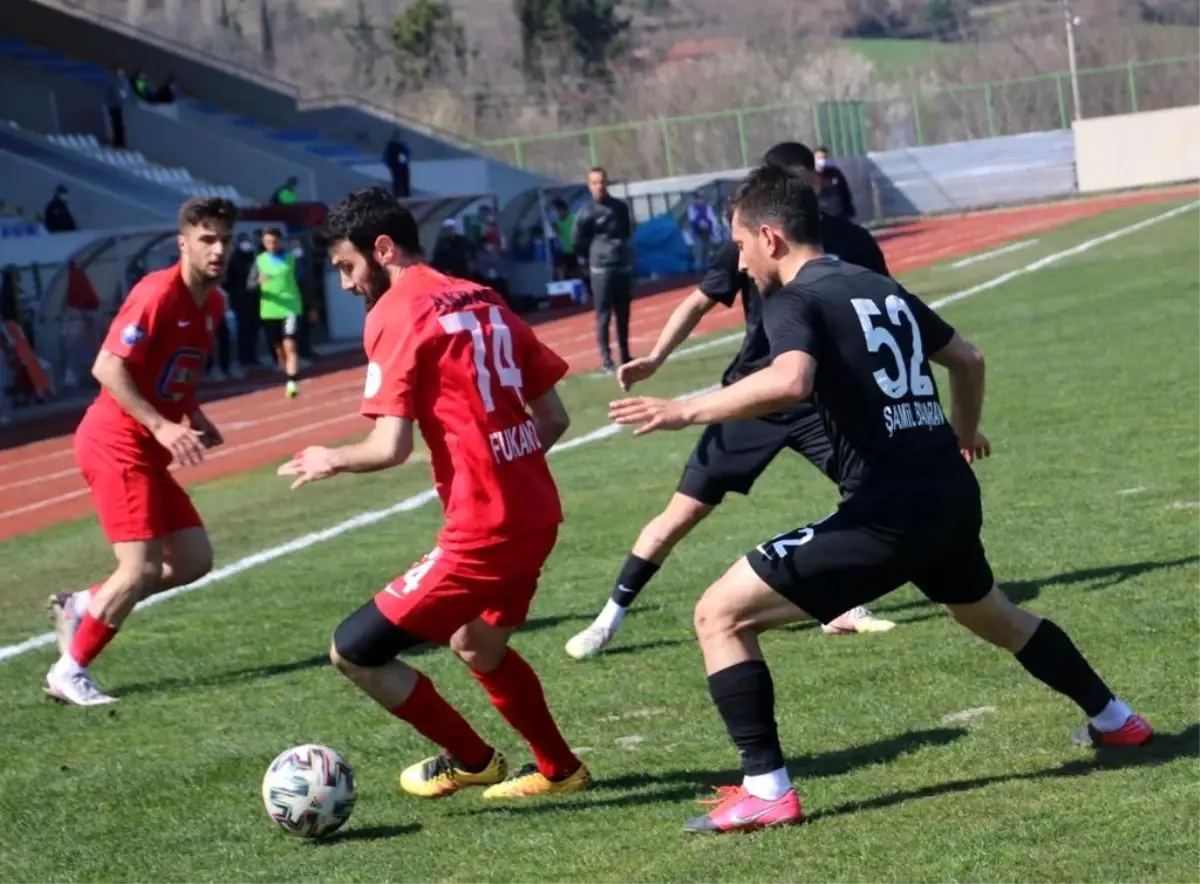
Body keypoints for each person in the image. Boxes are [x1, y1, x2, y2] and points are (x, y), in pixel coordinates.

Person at [609, 165, 1152, 835]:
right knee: (997, 618)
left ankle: (766, 789)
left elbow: (790, 379)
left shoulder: (791, 300)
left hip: (889, 511)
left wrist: (684, 409)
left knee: (718, 615)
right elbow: (970, 358)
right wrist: (964, 431)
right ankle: (1116, 721)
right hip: (949, 494)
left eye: (740, 243)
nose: (739, 260)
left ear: (771, 237)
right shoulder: (875, 284)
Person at [279, 187, 590, 800]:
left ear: (383, 248)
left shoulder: (395, 312)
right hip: (536, 513)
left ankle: (472, 759)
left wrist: (330, 458)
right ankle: (561, 769)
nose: (344, 284)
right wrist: (503, 465)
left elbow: (388, 447)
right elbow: (552, 419)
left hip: (484, 531)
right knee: (478, 643)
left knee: (352, 651)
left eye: (347, 266)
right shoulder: (485, 298)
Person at [566, 142, 892, 661]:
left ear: (815, 181)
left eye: (793, 181)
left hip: (820, 399)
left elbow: (882, 319)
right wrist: (654, 358)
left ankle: (838, 603)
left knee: (876, 493)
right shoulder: (752, 239)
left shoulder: (852, 241)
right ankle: (608, 619)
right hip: (752, 396)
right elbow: (699, 300)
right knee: (682, 513)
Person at [44, 197, 236, 706]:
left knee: (194, 559)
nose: (218, 250)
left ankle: (83, 603)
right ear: (183, 243)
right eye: (207, 240)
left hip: (145, 449)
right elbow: (108, 367)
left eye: (225, 240)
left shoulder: (213, 303)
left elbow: (172, 374)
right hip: (115, 443)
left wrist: (193, 417)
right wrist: (161, 426)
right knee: (140, 569)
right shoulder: (156, 294)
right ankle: (70, 670)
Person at [572, 167, 634, 374]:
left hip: (621, 266)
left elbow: (626, 232)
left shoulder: (620, 207)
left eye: (602, 182)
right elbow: (578, 241)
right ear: (589, 186)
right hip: (600, 269)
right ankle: (607, 360)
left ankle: (625, 356)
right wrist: (592, 258)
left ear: (607, 183)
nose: (599, 186)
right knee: (603, 315)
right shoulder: (586, 212)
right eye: (595, 183)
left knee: (623, 313)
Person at [249, 227, 303, 398]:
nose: (271, 245)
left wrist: (311, 307)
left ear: (280, 241)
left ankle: (292, 381)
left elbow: (303, 281)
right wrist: (258, 281)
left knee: (290, 346)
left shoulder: (290, 259)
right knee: (279, 348)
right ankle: (286, 369)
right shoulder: (259, 261)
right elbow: (249, 284)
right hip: (270, 311)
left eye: (274, 241)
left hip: (290, 308)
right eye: (268, 242)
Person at [814, 146, 856, 221]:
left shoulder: (835, 173)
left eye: (824, 158)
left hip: (839, 215)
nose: (822, 160)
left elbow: (845, 191)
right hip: (822, 218)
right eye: (819, 158)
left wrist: (849, 209)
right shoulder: (809, 176)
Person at [383, 130, 411, 198]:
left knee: (404, 183)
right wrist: (390, 165)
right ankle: (399, 195)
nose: (401, 139)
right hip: (396, 167)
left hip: (403, 167)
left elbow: (407, 154)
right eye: (399, 137)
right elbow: (386, 157)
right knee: (398, 182)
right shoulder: (392, 146)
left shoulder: (402, 145)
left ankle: (405, 196)